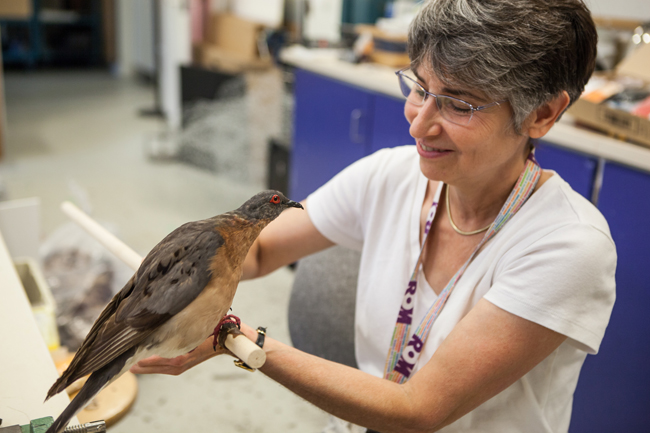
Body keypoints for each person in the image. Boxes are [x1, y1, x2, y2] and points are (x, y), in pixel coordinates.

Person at [131, 0, 617, 431]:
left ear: (543, 115)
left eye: (460, 105)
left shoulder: (569, 246)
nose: (420, 124)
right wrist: (154, 286)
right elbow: (254, 253)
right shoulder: (392, 175)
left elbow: (416, 410)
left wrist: (236, 340)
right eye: (420, 88)